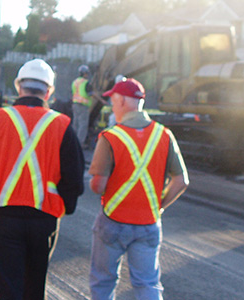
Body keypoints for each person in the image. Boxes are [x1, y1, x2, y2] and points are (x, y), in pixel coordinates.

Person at [0, 59, 85, 300]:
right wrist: (65, 206)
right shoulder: (62, 125)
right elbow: (74, 176)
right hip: (44, 219)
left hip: (3, 217)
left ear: (18, 87)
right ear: (49, 92)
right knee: (34, 287)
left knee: (8, 287)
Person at [88, 78, 189, 300]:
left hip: (113, 221)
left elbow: (98, 186)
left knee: (103, 282)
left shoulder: (110, 137)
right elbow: (181, 181)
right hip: (148, 223)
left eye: (113, 101)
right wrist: (158, 206)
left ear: (122, 101)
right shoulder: (164, 135)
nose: (112, 106)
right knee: (148, 285)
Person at [71, 65, 93, 148]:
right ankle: (79, 143)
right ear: (85, 73)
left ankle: (73, 141)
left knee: (75, 124)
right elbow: (91, 94)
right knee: (83, 125)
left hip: (75, 104)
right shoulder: (86, 83)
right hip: (83, 106)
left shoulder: (75, 82)